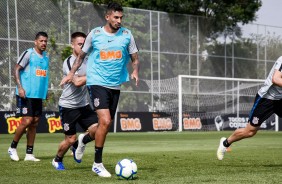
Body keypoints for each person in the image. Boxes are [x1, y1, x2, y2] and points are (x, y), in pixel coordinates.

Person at [60, 2, 140, 177]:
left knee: (106, 124)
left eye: (121, 17)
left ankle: (84, 139)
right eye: (116, 17)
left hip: (115, 84)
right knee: (104, 120)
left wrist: (135, 71)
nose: (119, 20)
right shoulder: (95, 34)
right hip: (96, 82)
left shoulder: (127, 35)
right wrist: (70, 74)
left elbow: (134, 57)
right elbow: (81, 56)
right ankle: (97, 164)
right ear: (107, 17)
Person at [217, 56, 282, 160]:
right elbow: (276, 79)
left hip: (281, 99)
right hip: (266, 99)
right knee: (250, 131)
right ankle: (225, 143)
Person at [52, 32, 98, 170]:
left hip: (83, 105)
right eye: (79, 44)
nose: (82, 47)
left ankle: (82, 140)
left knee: (99, 129)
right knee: (70, 139)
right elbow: (77, 82)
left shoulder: (89, 60)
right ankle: (57, 160)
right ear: (72, 45)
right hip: (68, 107)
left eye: (84, 44)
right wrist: (94, 74)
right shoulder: (69, 62)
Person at [8, 32, 49, 162]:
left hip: (38, 95)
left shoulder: (46, 58)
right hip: (26, 94)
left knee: (34, 123)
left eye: (45, 41)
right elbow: (16, 69)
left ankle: (29, 154)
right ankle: (12, 147)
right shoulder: (28, 53)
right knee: (26, 121)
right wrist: (20, 87)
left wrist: (45, 92)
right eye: (41, 41)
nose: (44, 43)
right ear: (35, 42)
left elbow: (43, 77)